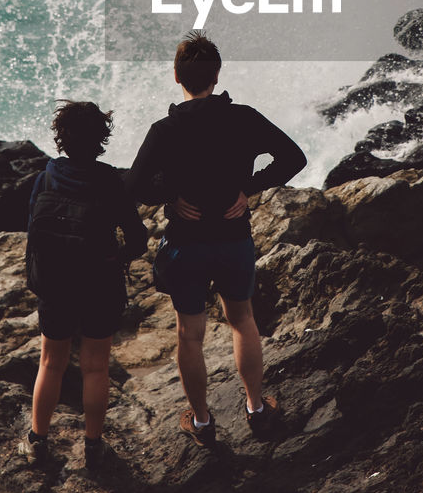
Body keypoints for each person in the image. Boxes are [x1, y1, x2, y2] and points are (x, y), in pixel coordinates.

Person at [126, 31, 306, 447]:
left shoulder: (164, 130)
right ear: (217, 74)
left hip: (186, 244)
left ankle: (203, 421)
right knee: (242, 320)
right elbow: (294, 158)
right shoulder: (243, 117)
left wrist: (171, 197)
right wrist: (251, 189)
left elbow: (133, 187)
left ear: (176, 76)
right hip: (232, 239)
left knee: (190, 334)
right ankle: (256, 408)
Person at [22, 100, 147, 472]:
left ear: (61, 138)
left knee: (50, 363)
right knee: (96, 367)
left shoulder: (46, 177)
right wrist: (118, 257)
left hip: (56, 286)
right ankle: (93, 447)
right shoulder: (110, 181)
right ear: (101, 140)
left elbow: (32, 230)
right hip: (100, 285)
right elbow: (138, 238)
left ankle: (37, 442)